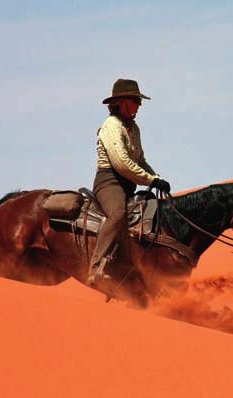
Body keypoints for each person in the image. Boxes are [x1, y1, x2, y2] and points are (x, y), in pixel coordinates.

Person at [87, 78, 171, 285]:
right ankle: (96, 267)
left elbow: (140, 160)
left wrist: (157, 178)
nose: (139, 105)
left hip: (128, 184)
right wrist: (150, 179)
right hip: (109, 182)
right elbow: (121, 162)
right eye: (135, 100)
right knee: (118, 214)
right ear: (121, 102)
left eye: (139, 101)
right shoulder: (111, 125)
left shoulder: (134, 129)